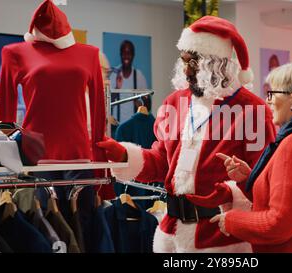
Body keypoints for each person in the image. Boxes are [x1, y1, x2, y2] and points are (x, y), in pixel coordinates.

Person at [98, 15, 276, 252]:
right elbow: (162, 162)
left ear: (216, 64)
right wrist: (123, 156)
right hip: (170, 233)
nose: (185, 69)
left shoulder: (251, 111)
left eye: (192, 62)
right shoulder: (175, 102)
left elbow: (264, 180)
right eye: (183, 60)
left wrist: (231, 190)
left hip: (220, 238)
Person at [188, 60, 292, 253]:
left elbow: (280, 224)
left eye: (272, 93)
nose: (268, 100)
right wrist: (248, 180)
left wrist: (231, 220)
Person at [110, 40, 148, 129]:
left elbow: (148, 104)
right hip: (116, 127)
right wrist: (117, 88)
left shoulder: (139, 76)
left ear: (133, 55)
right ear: (120, 54)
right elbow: (107, 102)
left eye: (129, 53)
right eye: (124, 53)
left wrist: (141, 103)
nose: (126, 56)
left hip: (134, 127)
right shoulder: (114, 75)